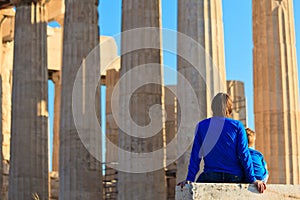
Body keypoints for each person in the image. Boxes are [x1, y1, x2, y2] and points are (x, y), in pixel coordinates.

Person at [178, 93, 266, 193]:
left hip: (211, 175)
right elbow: (244, 155)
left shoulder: (202, 126)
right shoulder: (237, 126)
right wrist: (253, 179)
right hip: (235, 176)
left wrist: (190, 179)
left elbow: (195, 156)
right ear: (230, 108)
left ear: (213, 108)